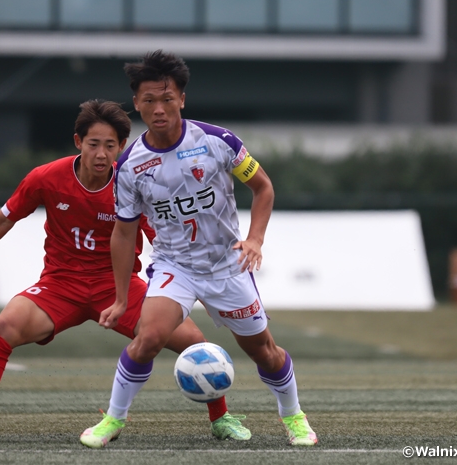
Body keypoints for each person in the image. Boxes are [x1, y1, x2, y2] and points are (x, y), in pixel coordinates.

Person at [0, 99, 250, 444]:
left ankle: (222, 419)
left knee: (192, 341)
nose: (101, 154)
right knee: (4, 324)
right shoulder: (46, 178)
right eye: (94, 144)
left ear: (121, 148)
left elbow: (163, 238)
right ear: (78, 142)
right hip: (59, 285)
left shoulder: (135, 185)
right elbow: (4, 220)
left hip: (118, 288)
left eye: (110, 146)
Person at [80, 52, 317, 448]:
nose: (159, 109)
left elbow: (263, 187)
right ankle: (112, 420)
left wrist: (255, 240)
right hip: (175, 265)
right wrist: (122, 299)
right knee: (149, 336)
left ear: (182, 99)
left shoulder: (216, 142)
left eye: (167, 99)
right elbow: (123, 233)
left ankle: (294, 417)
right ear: (136, 103)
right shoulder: (130, 165)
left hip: (227, 264)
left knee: (264, 351)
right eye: (149, 100)